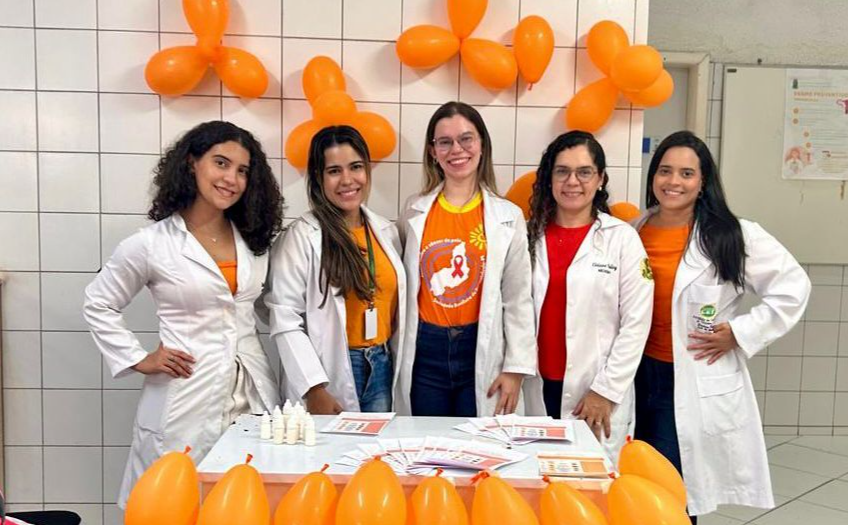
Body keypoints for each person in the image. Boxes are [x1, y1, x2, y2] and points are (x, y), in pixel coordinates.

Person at [83, 121, 284, 507]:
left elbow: (267, 306)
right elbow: (99, 302)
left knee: (244, 501)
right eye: (221, 163)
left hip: (251, 390)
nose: (232, 179)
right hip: (186, 393)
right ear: (192, 163)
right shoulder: (151, 244)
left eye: (242, 170)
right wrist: (139, 358)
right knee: (173, 501)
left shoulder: (254, 242)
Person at [633, 131, 811, 518]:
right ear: (653, 176)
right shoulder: (635, 229)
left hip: (689, 376)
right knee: (636, 481)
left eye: (686, 174)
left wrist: (740, 333)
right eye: (665, 171)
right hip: (636, 374)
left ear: (703, 182)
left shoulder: (731, 234)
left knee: (674, 487)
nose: (673, 182)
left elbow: (793, 287)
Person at [395, 101, 539, 417]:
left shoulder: (508, 217)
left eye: (466, 139)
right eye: (444, 142)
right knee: (425, 441)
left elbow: (518, 297)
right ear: (433, 151)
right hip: (426, 350)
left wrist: (515, 368)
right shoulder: (414, 210)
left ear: (482, 144)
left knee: (479, 440)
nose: (456, 150)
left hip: (481, 347)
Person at [523, 131, 654, 464]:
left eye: (584, 172)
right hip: (534, 387)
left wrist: (606, 391)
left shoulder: (621, 239)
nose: (572, 181)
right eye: (562, 171)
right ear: (549, 178)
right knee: (534, 481)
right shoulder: (526, 235)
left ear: (600, 179)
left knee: (590, 485)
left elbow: (637, 323)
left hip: (593, 391)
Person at [265, 125, 406, 413]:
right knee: (331, 442)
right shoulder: (302, 237)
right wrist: (313, 388)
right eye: (334, 171)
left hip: (381, 365)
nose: (347, 180)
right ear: (318, 178)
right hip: (330, 371)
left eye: (356, 167)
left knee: (378, 442)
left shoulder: (386, 231)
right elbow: (284, 317)